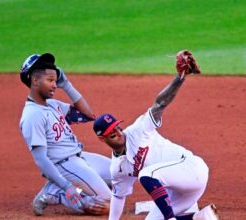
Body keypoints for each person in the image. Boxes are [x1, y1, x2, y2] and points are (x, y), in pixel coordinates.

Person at [93, 51, 218, 220]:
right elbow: (118, 196)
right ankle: (201, 218)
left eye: (117, 127)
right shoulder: (117, 168)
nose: (117, 132)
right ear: (103, 139)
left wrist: (180, 78)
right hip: (180, 192)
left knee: (146, 175)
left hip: (192, 170)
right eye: (111, 133)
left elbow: (159, 104)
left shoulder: (138, 130)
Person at [19, 53, 112, 216]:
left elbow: (88, 114)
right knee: (108, 204)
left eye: (56, 80)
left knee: (119, 175)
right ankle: (55, 194)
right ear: (35, 81)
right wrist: (68, 188)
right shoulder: (32, 116)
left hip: (80, 158)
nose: (55, 85)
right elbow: (41, 160)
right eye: (50, 80)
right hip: (63, 165)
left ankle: (56, 187)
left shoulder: (53, 105)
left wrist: (66, 85)